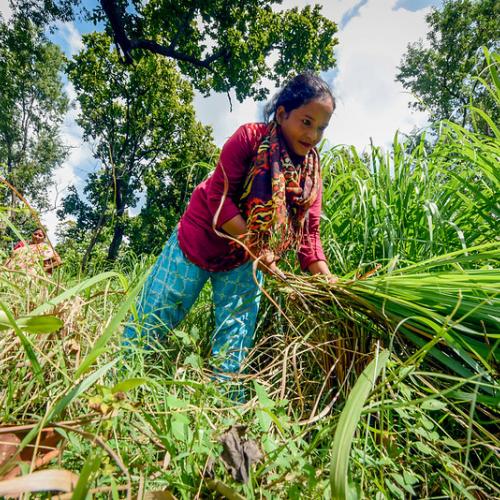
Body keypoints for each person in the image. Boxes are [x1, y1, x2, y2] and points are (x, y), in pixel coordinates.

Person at [123, 72, 335, 395]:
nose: (313, 135)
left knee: (233, 343)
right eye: (306, 122)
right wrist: (257, 246)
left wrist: (329, 283)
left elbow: (310, 239)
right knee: (154, 316)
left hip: (242, 262)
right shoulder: (249, 140)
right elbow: (219, 201)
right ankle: (118, 384)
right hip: (200, 240)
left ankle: (223, 417)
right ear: (282, 114)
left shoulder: (310, 178)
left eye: (321, 127)